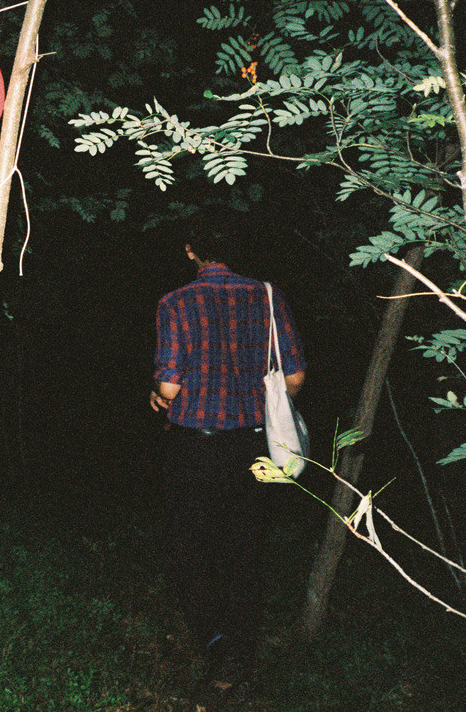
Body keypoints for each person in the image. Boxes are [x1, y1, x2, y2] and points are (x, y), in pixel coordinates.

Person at [149, 218, 305, 707]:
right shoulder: (267, 295)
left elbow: (170, 384)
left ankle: (216, 645)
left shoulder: (176, 302)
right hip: (255, 446)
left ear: (190, 250)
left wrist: (158, 396)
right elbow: (295, 378)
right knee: (244, 550)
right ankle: (240, 653)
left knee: (187, 547)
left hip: (197, 447)